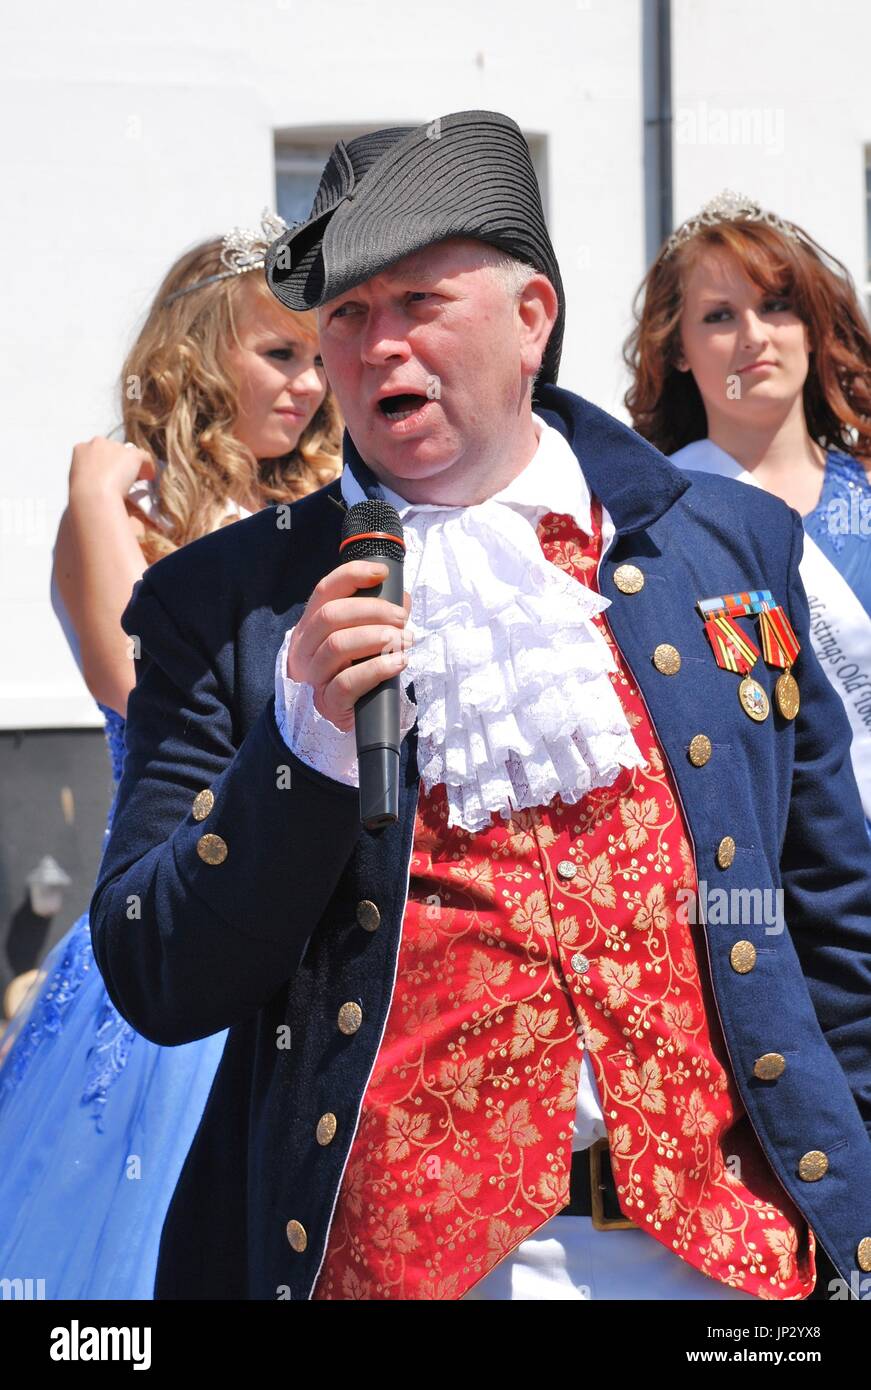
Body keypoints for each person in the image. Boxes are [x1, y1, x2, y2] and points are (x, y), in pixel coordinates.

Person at [90, 111, 871, 1302]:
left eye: (416, 302)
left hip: (732, 1264)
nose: (375, 347)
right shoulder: (226, 605)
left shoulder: (725, 545)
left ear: (531, 318)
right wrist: (298, 745)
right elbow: (159, 973)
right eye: (345, 315)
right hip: (402, 1268)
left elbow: (828, 920)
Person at [0, 212, 341, 1299]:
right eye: (277, 352)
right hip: (169, 919)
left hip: (305, 928)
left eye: (316, 355)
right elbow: (128, 686)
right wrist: (95, 499)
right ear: (200, 351)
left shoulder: (318, 515)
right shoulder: (128, 511)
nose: (308, 382)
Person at [624, 190, 871, 833]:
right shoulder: (649, 526)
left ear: (813, 327)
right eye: (719, 316)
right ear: (676, 348)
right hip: (764, 869)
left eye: (777, 306)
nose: (754, 336)